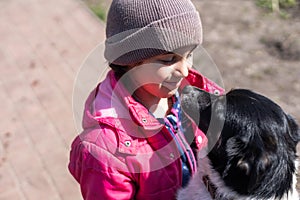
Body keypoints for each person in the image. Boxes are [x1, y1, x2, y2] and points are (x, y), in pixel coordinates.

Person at [68, 0, 223, 199]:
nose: (185, 71)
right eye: (169, 60)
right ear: (129, 61)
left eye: (189, 54)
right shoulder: (105, 151)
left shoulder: (198, 95)